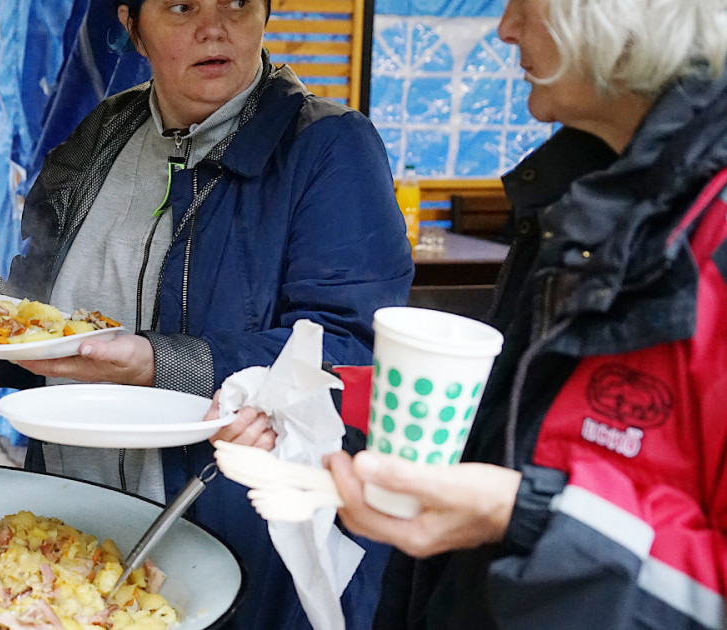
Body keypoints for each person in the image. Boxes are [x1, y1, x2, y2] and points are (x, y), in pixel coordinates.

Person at [224, 0, 727, 626]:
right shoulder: (591, 195)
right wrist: (305, 399)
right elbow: (528, 414)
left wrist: (519, 515)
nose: (503, 26)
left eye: (525, 2)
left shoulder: (707, 232)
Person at [0, 1, 414, 627]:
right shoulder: (102, 134)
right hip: (75, 525)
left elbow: (353, 352)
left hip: (232, 535)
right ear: (133, 25)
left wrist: (161, 364)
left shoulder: (327, 148)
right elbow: (52, 328)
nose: (213, 27)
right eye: (181, 6)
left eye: (237, 4)